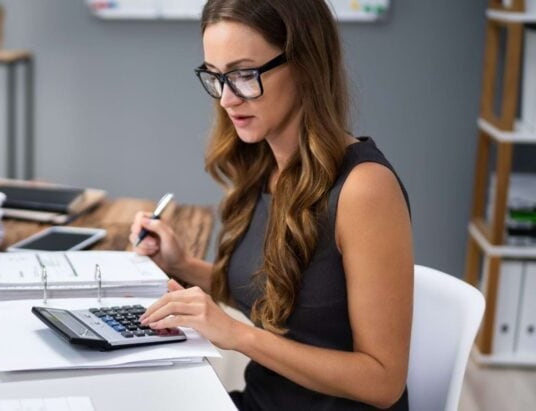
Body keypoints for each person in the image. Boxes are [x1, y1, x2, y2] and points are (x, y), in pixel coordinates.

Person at [129, 0, 413, 409]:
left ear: (305, 64)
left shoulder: (364, 189)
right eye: (216, 76)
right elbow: (277, 298)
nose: (227, 99)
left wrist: (239, 335)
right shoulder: (269, 166)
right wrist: (182, 265)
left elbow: (383, 382)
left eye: (244, 75)